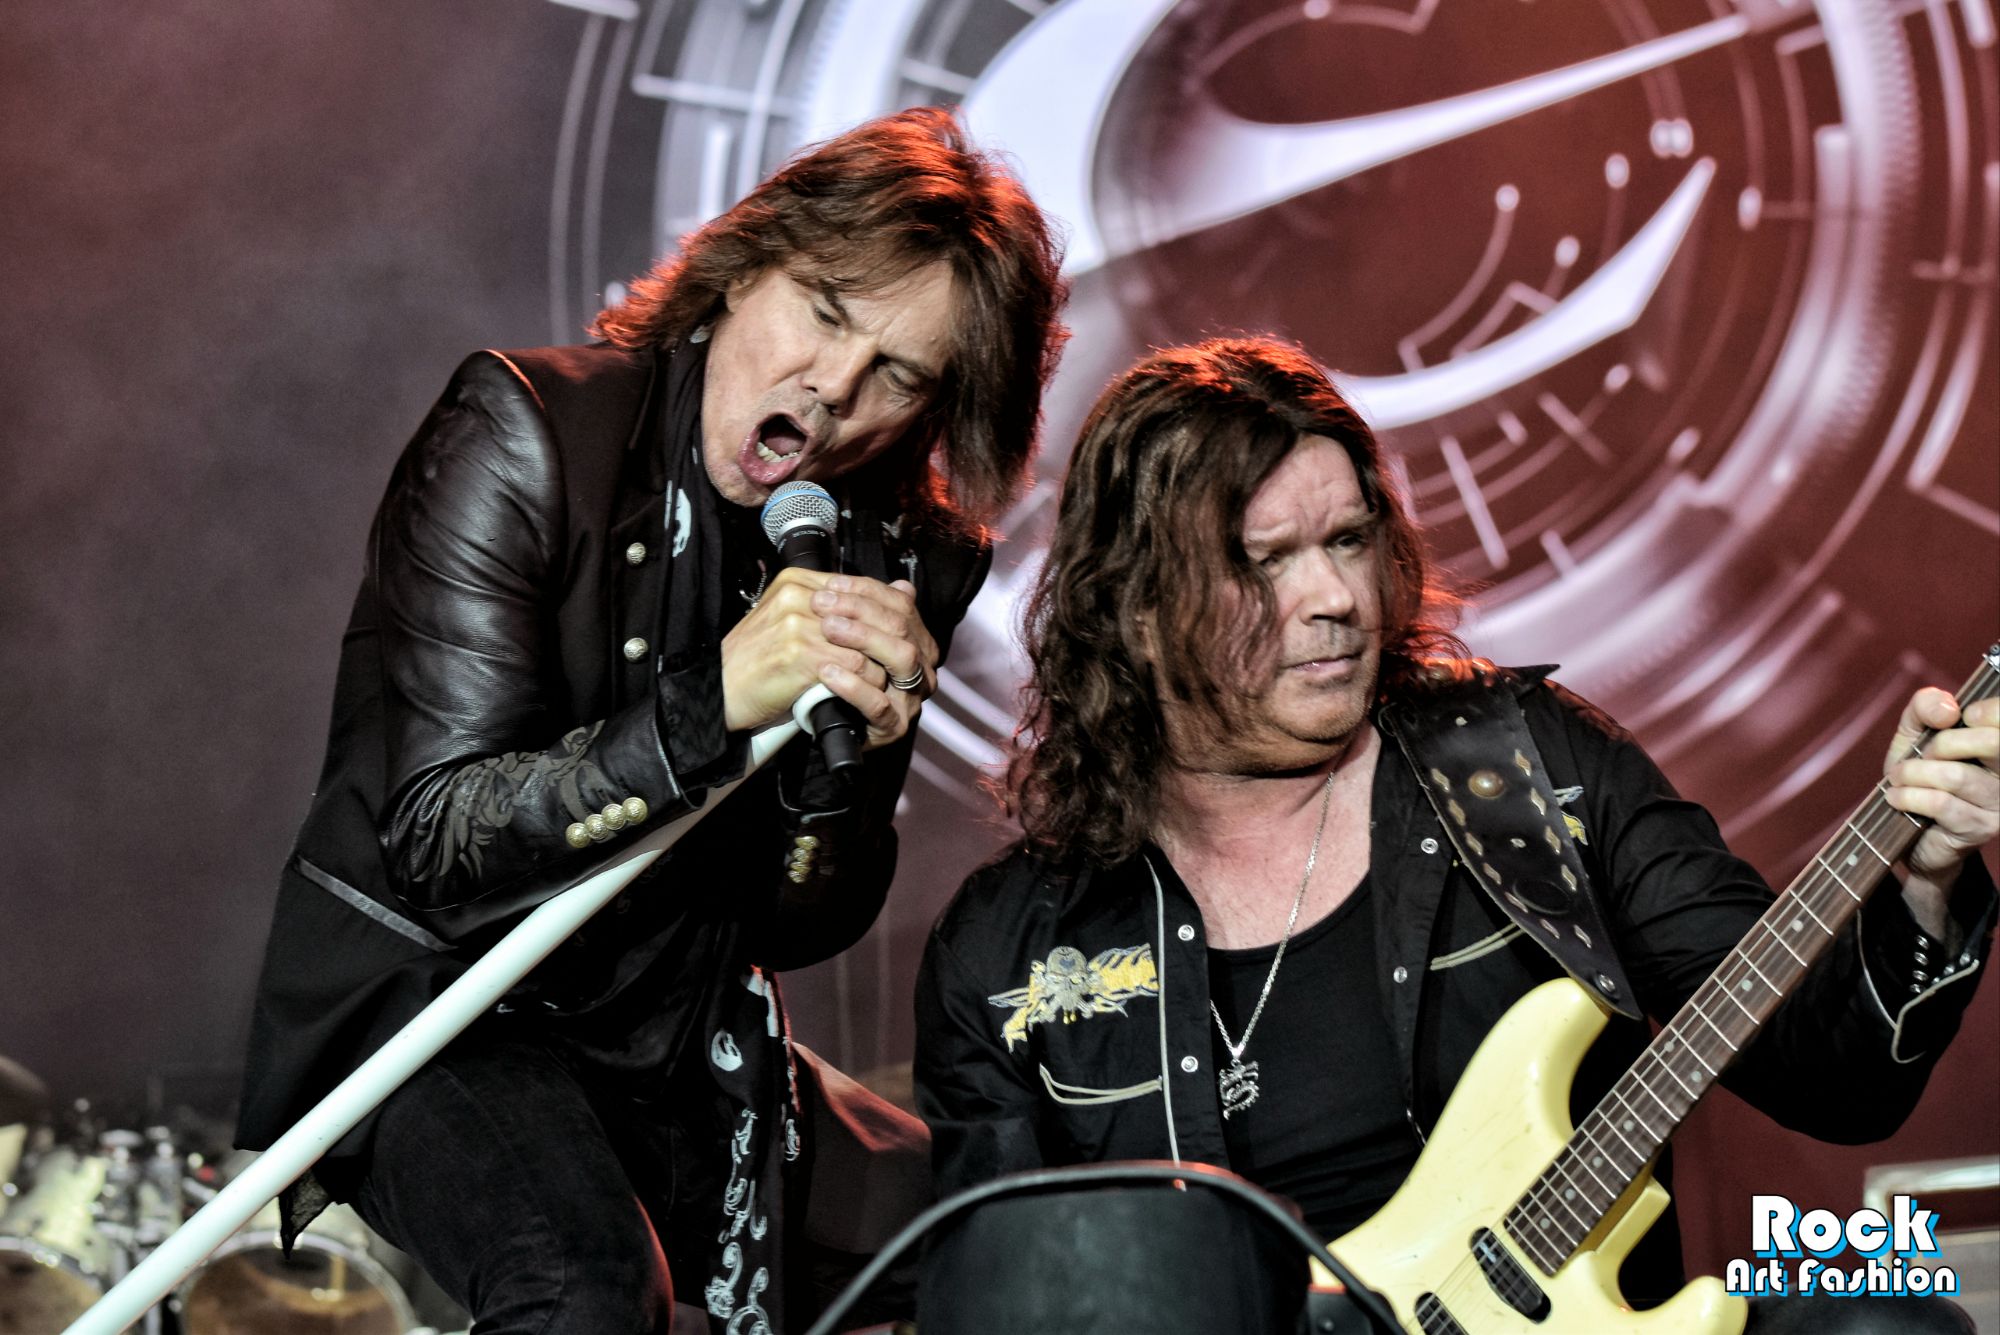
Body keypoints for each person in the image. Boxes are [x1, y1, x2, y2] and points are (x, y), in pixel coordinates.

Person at [913, 337, 1997, 1333]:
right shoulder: (1008, 954)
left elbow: (1836, 1080)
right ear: (1138, 612)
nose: (1335, 596)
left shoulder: (1524, 772)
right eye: (1264, 561)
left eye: (1348, 540)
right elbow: (992, 1307)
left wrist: (1926, 880)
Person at [235, 106, 1067, 1334]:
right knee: (584, 1285)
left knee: (1039, 1246)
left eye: (899, 374)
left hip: (680, 1024)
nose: (833, 387)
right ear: (741, 269)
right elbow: (436, 836)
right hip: (444, 1007)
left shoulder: (898, 554)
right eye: (823, 311)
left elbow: (792, 924)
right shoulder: (525, 430)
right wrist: (711, 707)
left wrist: (844, 778)